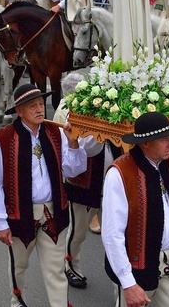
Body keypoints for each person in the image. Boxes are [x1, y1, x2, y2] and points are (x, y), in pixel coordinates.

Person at [0, 83, 89, 307]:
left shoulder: (56, 132)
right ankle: (17, 302)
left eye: (41, 104)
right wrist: (0, 222)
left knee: (56, 269)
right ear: (19, 111)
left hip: (54, 211)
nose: (39, 109)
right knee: (19, 265)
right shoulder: (5, 138)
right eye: (32, 106)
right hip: (21, 214)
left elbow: (74, 170)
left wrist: (72, 143)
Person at [102, 112, 169, 307]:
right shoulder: (120, 173)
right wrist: (128, 282)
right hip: (138, 266)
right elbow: (112, 235)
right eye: (163, 139)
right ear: (146, 144)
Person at [52, 72, 110, 290]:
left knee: (116, 232)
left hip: (107, 179)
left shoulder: (97, 109)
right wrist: (100, 130)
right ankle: (70, 265)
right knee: (79, 231)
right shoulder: (67, 111)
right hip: (82, 178)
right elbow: (82, 148)